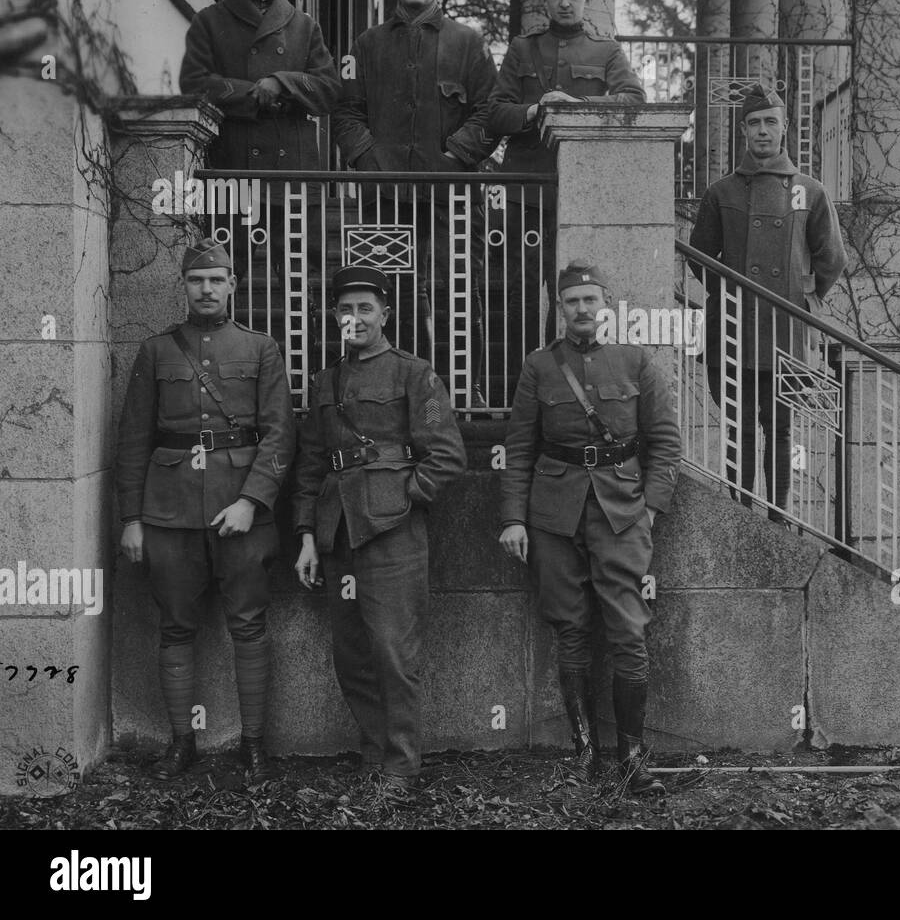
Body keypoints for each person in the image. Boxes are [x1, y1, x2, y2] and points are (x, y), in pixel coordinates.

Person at [115, 238, 295, 783]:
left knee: (249, 625)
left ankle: (255, 745)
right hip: (168, 515)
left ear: (233, 285)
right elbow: (132, 442)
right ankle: (179, 743)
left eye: (217, 280)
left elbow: (281, 435)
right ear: (185, 287)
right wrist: (132, 519)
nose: (207, 289)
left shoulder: (261, 349)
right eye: (197, 280)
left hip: (243, 513)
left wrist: (251, 501)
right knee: (174, 628)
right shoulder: (156, 352)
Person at [498, 261, 681, 795]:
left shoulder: (635, 361)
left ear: (606, 306)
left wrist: (649, 510)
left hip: (622, 512)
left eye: (590, 300)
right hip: (553, 515)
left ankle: (631, 759)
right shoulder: (539, 366)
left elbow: (665, 442)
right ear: (561, 308)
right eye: (572, 300)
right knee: (570, 629)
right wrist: (513, 517)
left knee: (628, 631)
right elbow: (520, 447)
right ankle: (584, 754)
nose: (582, 309)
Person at [292, 266, 467, 789]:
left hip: (394, 533)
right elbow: (309, 465)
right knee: (352, 653)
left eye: (365, 308)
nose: (354, 318)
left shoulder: (414, 373)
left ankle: (402, 764)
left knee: (394, 650)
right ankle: (373, 751)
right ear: (334, 317)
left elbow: (448, 455)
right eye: (345, 309)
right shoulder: (326, 381)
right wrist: (306, 536)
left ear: (385, 314)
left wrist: (405, 495)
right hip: (339, 530)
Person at [333, 0, 499, 402]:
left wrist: (453, 159)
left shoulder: (467, 43)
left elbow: (489, 109)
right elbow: (346, 112)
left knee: (458, 293)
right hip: (386, 196)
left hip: (452, 196)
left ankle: (466, 392)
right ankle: (400, 392)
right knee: (392, 296)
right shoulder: (366, 45)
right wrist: (369, 163)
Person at [688, 82, 846, 520]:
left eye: (770, 123)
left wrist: (803, 300)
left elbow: (831, 258)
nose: (762, 131)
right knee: (737, 427)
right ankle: (741, 512)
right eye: (754, 123)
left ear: (785, 129)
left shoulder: (810, 191)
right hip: (735, 329)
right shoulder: (721, 192)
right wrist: (729, 294)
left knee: (779, 427)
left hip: (785, 331)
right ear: (743, 131)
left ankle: (779, 518)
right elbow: (700, 257)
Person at [487, 0, 645, 360]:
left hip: (582, 196)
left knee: (575, 293)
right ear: (544, 0)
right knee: (520, 295)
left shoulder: (606, 51)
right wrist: (535, 109)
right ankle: (519, 379)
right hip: (525, 196)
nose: (564, 2)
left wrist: (574, 105)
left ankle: (568, 377)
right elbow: (495, 112)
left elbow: (633, 98)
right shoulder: (522, 49)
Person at [178, 0, 341, 284]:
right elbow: (194, 83)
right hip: (235, 166)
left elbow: (330, 89)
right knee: (224, 269)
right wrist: (254, 93)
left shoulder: (304, 26)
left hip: (293, 169)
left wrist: (282, 83)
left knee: (301, 278)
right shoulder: (210, 21)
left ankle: (303, 341)